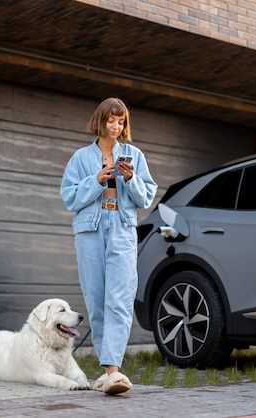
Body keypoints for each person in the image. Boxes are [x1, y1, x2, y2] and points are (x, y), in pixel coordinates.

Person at [60, 97, 158, 395]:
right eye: (111, 120)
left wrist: (129, 178)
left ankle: (113, 371)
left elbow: (145, 198)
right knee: (97, 296)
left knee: (120, 297)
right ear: (100, 121)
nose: (116, 126)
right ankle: (106, 372)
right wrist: (97, 179)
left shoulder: (134, 155)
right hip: (90, 231)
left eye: (121, 121)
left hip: (122, 229)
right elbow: (69, 198)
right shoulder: (80, 158)